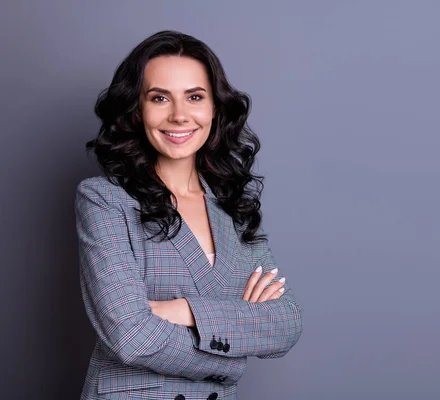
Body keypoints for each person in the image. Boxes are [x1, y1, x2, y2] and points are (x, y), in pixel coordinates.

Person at [74, 30, 303, 400]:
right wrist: (231, 356)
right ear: (137, 109)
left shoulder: (233, 205)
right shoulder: (105, 199)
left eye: (194, 97)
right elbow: (130, 336)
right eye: (160, 98)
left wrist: (183, 310)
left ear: (215, 107)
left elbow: (286, 323)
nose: (179, 115)